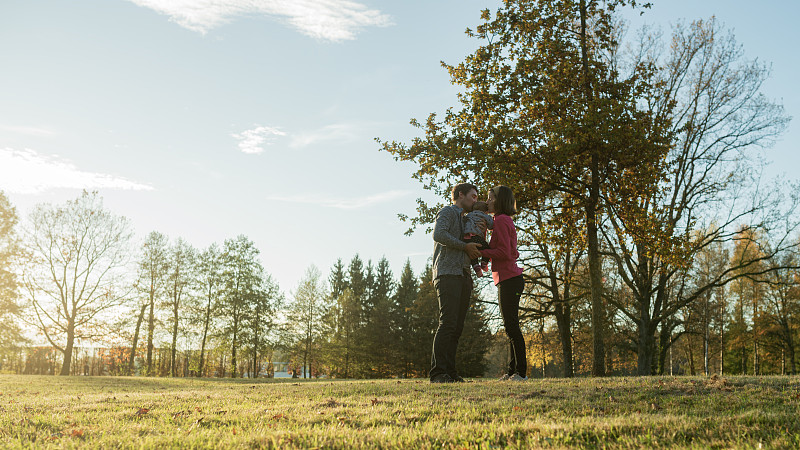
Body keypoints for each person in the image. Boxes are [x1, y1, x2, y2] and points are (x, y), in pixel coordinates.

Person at [429, 183, 483, 383]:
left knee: (457, 326)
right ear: (461, 195)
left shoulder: (467, 220)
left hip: (463, 275)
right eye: (473, 196)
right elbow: (439, 234)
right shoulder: (448, 212)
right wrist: (464, 247)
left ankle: (450, 372)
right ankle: (438, 373)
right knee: (448, 323)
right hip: (447, 273)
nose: (475, 200)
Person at [480, 185, 527, 381]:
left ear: (500, 201)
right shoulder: (502, 220)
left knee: (512, 327)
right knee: (510, 327)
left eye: (490, 198)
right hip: (507, 279)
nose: (487, 201)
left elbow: (505, 253)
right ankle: (512, 372)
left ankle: (521, 373)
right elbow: (504, 249)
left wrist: (481, 252)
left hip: (510, 280)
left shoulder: (501, 221)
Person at [463, 201, 493, 277]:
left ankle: (476, 267)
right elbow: (491, 226)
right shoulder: (485, 216)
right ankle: (484, 263)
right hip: (477, 237)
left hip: (466, 238)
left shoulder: (468, 215)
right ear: (486, 211)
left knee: (472, 254)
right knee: (487, 248)